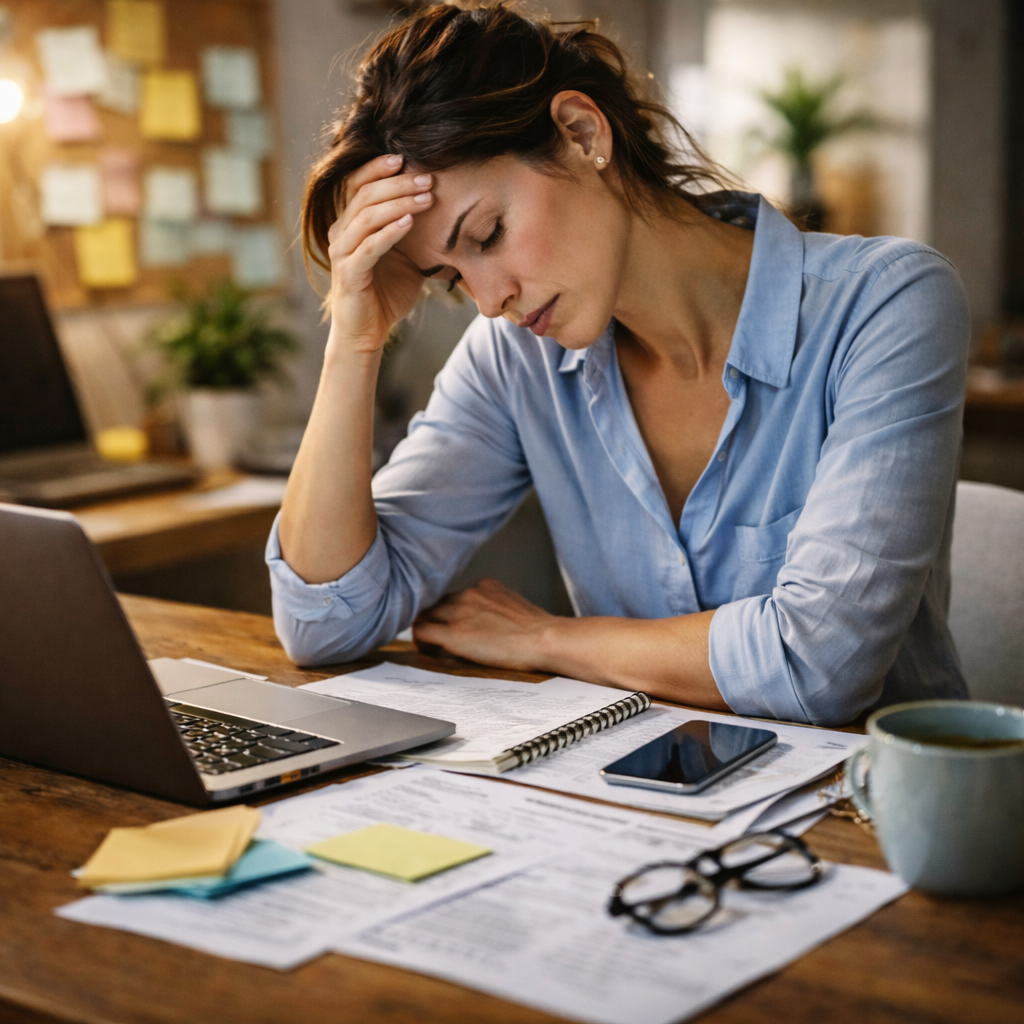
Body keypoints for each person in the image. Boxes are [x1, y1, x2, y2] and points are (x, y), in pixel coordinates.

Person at [269, 1, 969, 727]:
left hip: (872, 820)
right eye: (449, 279)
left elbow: (821, 664)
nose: (488, 300)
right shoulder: (516, 358)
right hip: (639, 810)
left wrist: (548, 639)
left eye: (487, 233)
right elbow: (324, 625)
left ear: (581, 133)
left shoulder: (885, 304)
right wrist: (355, 340)